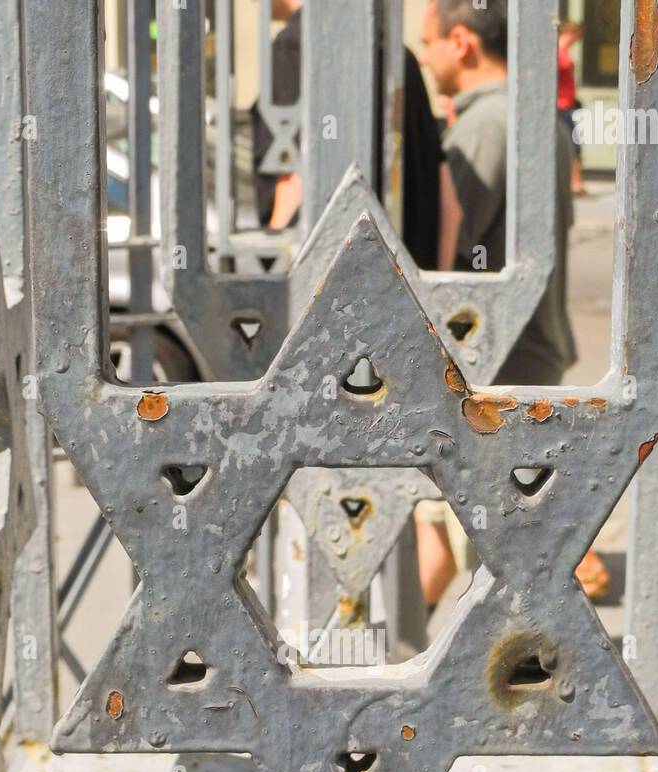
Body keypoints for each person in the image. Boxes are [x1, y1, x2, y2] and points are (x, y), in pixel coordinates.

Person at [417, 0, 609, 603]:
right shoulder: (533, 119)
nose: (424, 57)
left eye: (430, 44)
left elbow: (447, 248)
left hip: (494, 363)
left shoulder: (484, 126)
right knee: (454, 524)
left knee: (498, 547)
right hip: (531, 353)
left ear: (462, 42)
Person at [250, 0, 443, 269]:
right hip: (407, 288)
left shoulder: (295, 47)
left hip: (332, 288)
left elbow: (292, 182)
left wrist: (276, 275)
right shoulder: (401, 57)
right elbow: (442, 194)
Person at [558, 21, 587, 197]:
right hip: (560, 105)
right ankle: (575, 183)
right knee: (571, 144)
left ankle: (576, 182)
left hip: (567, 103)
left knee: (573, 144)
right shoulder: (558, 52)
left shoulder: (563, 52)